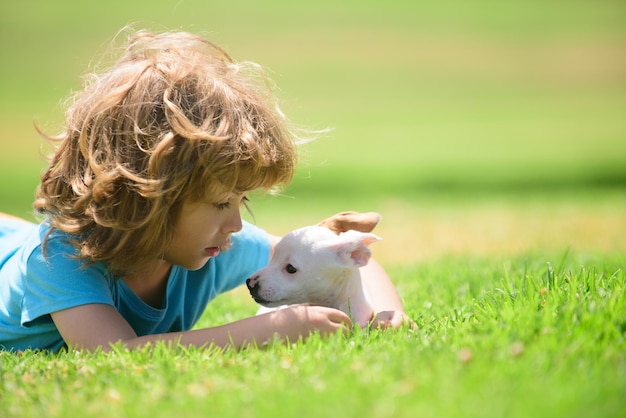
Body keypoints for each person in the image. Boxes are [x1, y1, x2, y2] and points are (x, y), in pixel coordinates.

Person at [0, 29, 410, 353]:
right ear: (148, 199)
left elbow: (344, 257)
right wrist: (268, 328)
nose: (234, 223)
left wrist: (384, 314)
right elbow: (112, 351)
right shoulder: (62, 259)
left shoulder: (213, 244)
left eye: (240, 201)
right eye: (220, 204)